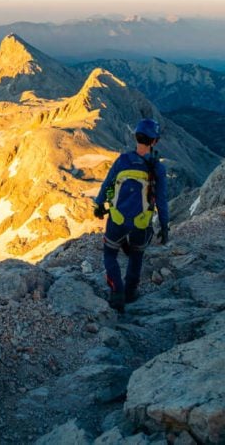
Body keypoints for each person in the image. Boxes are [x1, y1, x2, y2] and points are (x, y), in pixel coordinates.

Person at [93, 118, 169, 312]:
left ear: (136, 137)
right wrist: (164, 226)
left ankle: (116, 291)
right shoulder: (157, 168)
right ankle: (131, 291)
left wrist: (99, 204)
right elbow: (161, 200)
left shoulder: (123, 160)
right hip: (141, 222)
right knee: (136, 255)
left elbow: (108, 184)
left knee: (110, 253)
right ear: (154, 141)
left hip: (117, 217)